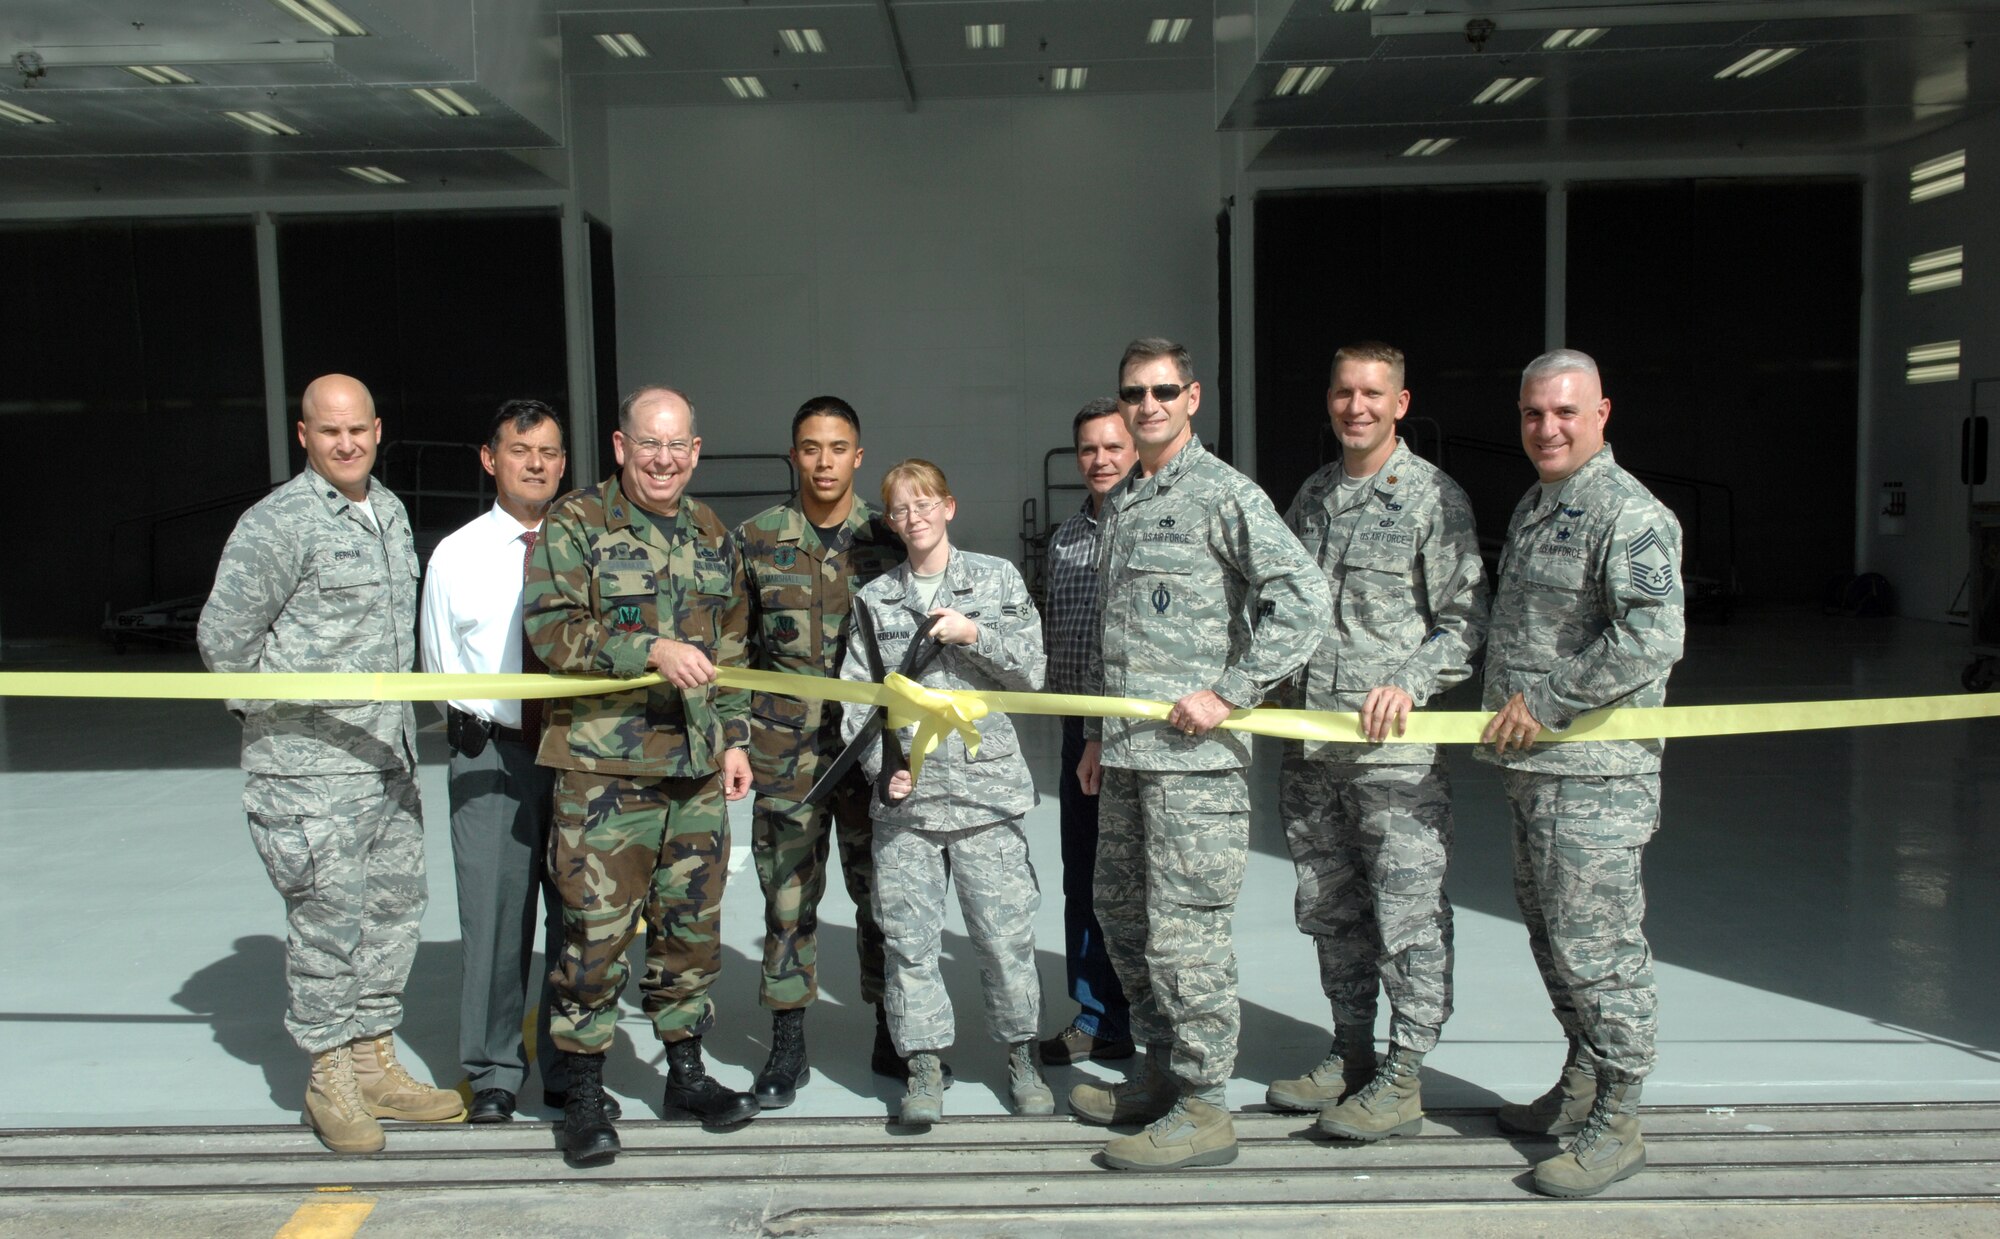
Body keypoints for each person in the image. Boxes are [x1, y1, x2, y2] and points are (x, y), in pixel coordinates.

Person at [1072, 339, 1329, 1171]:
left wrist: (1232, 690)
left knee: (1188, 937)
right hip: (1128, 759)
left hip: (1196, 766)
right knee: (1124, 918)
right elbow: (1115, 630)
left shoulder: (1225, 494)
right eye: (1132, 393)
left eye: (1161, 391)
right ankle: (1161, 1071)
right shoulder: (1124, 500)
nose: (1146, 405)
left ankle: (1206, 1105)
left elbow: (1303, 599)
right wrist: (1097, 736)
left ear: (1192, 398)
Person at [197, 373, 465, 1154]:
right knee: (327, 925)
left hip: (387, 758)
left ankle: (374, 1063)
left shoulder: (389, 510)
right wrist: (285, 729)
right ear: (304, 435)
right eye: (329, 431)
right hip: (311, 773)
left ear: (377, 431)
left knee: (392, 915)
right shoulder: (277, 523)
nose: (346, 444)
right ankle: (329, 1077)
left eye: (357, 430)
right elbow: (224, 640)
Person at [524, 384, 757, 1166]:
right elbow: (551, 628)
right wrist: (648, 649)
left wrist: (733, 739)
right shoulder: (576, 523)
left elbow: (732, 651)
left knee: (691, 930)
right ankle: (584, 1095)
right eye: (648, 443)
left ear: (695, 450)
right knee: (595, 937)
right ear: (622, 446)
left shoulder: (713, 534)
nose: (663, 459)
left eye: (676, 445)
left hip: (693, 769)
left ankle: (685, 1073)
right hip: (605, 772)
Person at [1477, 349, 1685, 1198]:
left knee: (1600, 948)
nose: (1547, 428)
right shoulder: (1537, 504)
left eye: (1565, 411)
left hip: (1594, 779)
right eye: (1533, 413)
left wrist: (1548, 699)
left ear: (1602, 412)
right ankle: (1584, 1079)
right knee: (1554, 937)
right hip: (1536, 772)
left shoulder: (1628, 513)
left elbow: (1652, 635)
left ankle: (1621, 1116)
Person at [1268, 343, 1488, 1141]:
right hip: (1312, 748)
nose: (1355, 407)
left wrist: (1411, 680)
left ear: (1400, 403)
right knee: (1330, 906)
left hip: (1392, 755)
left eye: (1371, 394)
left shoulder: (1434, 498)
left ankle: (1405, 1072)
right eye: (1343, 392)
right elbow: (1286, 606)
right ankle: (1352, 1048)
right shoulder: (1314, 494)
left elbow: (1466, 621)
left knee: (1407, 908)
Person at [836, 460, 1051, 1127]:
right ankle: (923, 1065)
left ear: (949, 507)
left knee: (1005, 936)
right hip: (910, 803)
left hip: (988, 794)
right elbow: (856, 701)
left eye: (925, 504)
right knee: (909, 941)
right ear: (891, 521)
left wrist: (974, 633)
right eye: (902, 509)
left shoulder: (996, 579)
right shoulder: (874, 600)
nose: (915, 518)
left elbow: (1033, 672)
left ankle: (1022, 1056)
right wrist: (884, 767)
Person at [420, 399, 611, 1124]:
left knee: (578, 916)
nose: (536, 464)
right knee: (494, 920)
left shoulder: (592, 546)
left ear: (565, 463)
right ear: (489, 458)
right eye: (520, 450)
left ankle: (569, 1067)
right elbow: (438, 662)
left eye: (550, 452)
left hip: (578, 753)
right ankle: (494, 1070)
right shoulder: (456, 554)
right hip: (492, 757)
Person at [733, 396, 906, 1107]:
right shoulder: (755, 540)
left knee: (884, 897)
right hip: (787, 758)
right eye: (811, 447)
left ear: (858, 456)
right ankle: (787, 1044)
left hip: (870, 756)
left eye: (838, 448)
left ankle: (893, 1031)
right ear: (793, 455)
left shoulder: (891, 536)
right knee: (787, 899)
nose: (824, 462)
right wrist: (735, 740)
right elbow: (734, 652)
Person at [1037, 397, 1137, 1066]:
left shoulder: (1154, 528)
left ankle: (1151, 1017)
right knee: (1085, 876)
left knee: (1142, 883)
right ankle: (1098, 1015)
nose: (1100, 460)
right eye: (1088, 449)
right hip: (1079, 733)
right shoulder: (1068, 536)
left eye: (1112, 446)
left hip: (1140, 733)